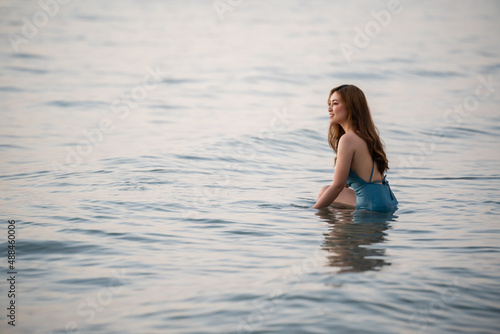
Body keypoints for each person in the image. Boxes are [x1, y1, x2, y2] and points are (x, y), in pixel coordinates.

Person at [313, 84, 398, 212]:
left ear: (351, 107)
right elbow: (346, 186)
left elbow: (337, 187)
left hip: (371, 205)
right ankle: (345, 221)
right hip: (388, 201)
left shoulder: (347, 139)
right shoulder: (368, 136)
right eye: (329, 104)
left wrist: (313, 211)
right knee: (328, 193)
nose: (329, 109)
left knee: (324, 192)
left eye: (335, 103)